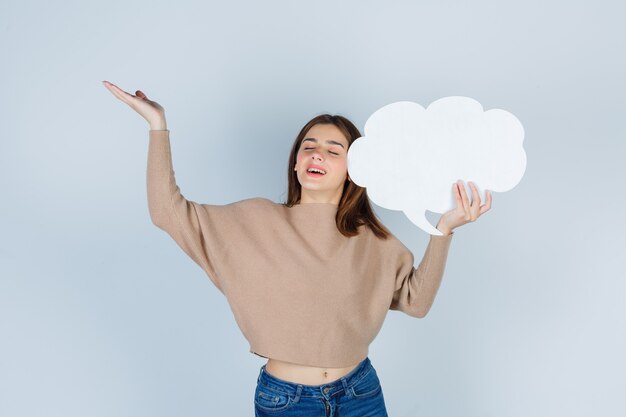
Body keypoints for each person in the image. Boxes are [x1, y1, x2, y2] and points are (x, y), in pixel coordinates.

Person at [102, 80, 492, 416]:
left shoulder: (374, 240)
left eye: (334, 150)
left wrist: (443, 231)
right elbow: (167, 212)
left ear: (355, 169)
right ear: (295, 162)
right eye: (309, 145)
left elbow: (416, 303)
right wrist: (158, 125)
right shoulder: (253, 221)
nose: (317, 154)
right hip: (286, 400)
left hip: (361, 391)